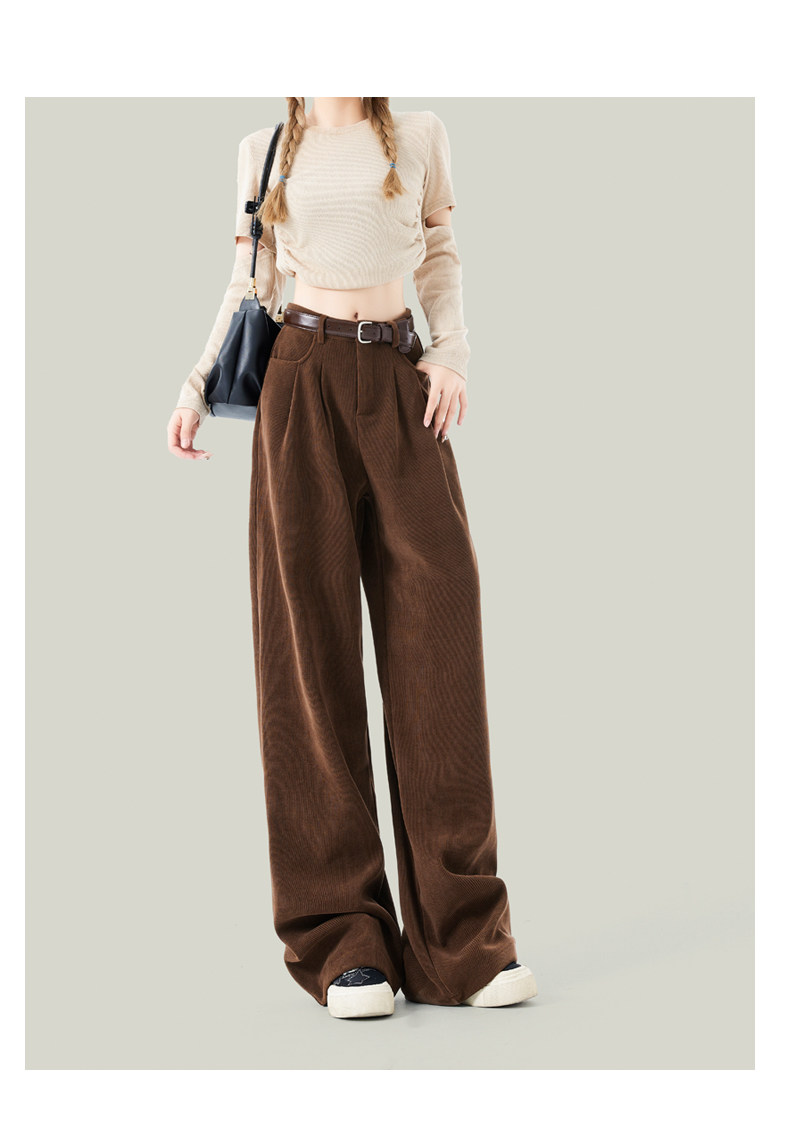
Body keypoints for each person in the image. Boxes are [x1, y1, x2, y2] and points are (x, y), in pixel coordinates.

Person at [167, 97, 538, 1019]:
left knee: (440, 646)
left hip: (405, 382)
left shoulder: (419, 136)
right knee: (308, 657)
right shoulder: (264, 150)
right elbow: (248, 279)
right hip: (300, 381)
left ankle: (464, 946)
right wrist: (196, 384)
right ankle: (344, 943)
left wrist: (453, 352)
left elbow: (441, 253)